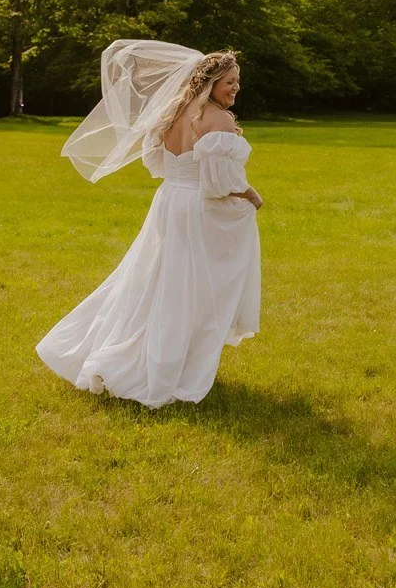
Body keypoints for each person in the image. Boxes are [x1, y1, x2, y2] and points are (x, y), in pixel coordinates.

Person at [36, 40, 262, 409]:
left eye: (238, 81)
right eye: (230, 81)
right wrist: (251, 195)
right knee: (191, 289)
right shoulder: (216, 119)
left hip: (170, 202)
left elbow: (158, 164)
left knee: (158, 282)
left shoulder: (171, 112)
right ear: (210, 81)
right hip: (198, 209)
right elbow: (220, 182)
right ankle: (165, 366)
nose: (236, 87)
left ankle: (156, 354)